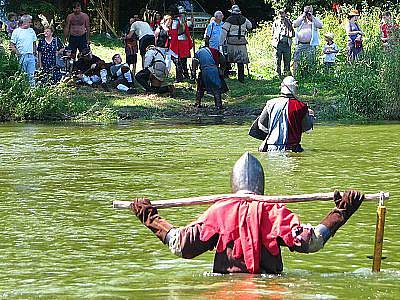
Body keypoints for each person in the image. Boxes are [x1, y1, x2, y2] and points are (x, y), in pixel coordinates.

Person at [130, 152, 365, 274]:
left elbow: (180, 245)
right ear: (262, 185)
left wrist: (151, 218)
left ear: (232, 184)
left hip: (226, 290)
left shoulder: (219, 211)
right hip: (271, 291)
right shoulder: (275, 211)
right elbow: (311, 242)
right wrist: (340, 212)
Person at [248, 76, 314, 152]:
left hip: (272, 149)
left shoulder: (270, 103)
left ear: (282, 87)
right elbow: (308, 130)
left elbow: (262, 126)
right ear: (295, 87)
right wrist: (310, 116)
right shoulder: (302, 106)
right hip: (292, 149)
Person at [219, 5, 252, 83]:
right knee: (240, 61)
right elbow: (250, 26)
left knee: (228, 59)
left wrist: (221, 43)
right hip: (241, 42)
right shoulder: (244, 19)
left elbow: (224, 32)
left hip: (231, 42)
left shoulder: (229, 20)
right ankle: (241, 78)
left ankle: (226, 76)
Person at [293, 5, 323, 75]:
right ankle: (296, 75)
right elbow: (294, 24)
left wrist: (311, 17)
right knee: (296, 60)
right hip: (300, 44)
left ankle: (310, 75)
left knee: (310, 61)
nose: (308, 13)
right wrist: (303, 16)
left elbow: (320, 26)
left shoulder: (314, 20)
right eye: (307, 11)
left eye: (310, 11)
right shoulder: (300, 19)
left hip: (310, 44)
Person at [9, 14, 37, 86]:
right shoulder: (16, 31)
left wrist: (34, 53)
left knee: (31, 76)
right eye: (29, 22)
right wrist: (17, 52)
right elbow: (11, 45)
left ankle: (32, 92)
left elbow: (34, 43)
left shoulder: (31, 31)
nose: (31, 23)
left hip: (31, 56)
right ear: (25, 22)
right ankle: (24, 92)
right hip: (22, 56)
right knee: (22, 76)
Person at [169, 5, 193, 82]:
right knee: (183, 59)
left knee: (177, 60)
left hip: (178, 41)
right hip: (184, 41)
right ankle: (186, 74)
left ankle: (179, 77)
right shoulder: (183, 19)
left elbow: (173, 33)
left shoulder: (175, 21)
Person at [271, 9, 295, 77]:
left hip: (287, 44)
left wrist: (289, 23)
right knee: (277, 59)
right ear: (278, 14)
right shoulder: (276, 22)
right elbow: (273, 32)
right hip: (278, 43)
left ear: (285, 14)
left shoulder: (289, 22)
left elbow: (293, 33)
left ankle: (286, 73)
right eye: (280, 13)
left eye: (282, 13)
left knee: (287, 59)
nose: (281, 15)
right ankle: (278, 74)